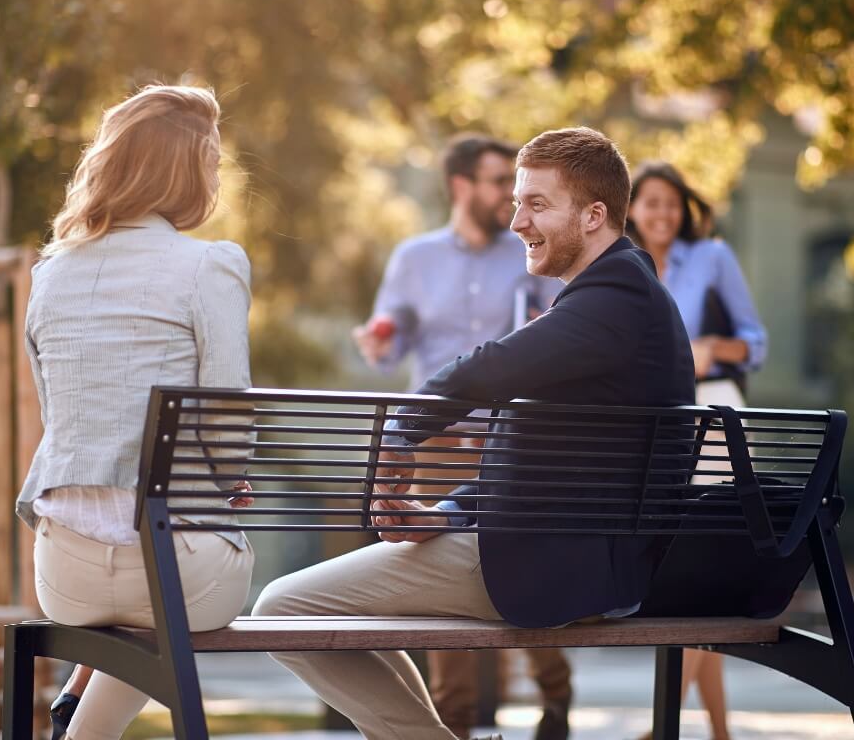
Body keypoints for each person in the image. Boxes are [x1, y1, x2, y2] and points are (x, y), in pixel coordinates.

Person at [253, 126, 696, 740]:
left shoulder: (615, 296)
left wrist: (405, 432)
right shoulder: (623, 295)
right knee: (310, 607)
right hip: (562, 547)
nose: (517, 222)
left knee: (282, 609)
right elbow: (551, 463)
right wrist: (451, 513)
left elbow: (493, 365)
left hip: (555, 561)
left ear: (595, 215)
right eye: (516, 203)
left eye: (536, 204)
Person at [17, 84, 256, 740]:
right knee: (173, 595)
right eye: (211, 162)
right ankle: (85, 731)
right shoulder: (211, 264)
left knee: (151, 596)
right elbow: (227, 425)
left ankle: (75, 700)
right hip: (178, 569)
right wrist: (229, 473)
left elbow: (59, 415)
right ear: (188, 171)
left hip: (63, 573)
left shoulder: (48, 271)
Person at [351, 134, 568, 740]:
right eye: (500, 182)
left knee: (525, 566)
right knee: (439, 577)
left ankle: (556, 697)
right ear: (461, 186)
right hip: (440, 440)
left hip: (514, 438)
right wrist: (378, 340)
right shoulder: (414, 258)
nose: (510, 196)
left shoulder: (531, 251)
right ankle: (454, 724)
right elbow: (389, 339)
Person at [625, 161, 768, 740]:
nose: (662, 213)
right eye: (650, 202)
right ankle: (720, 734)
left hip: (714, 411)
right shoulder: (623, 268)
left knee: (698, 559)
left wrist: (710, 346)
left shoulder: (713, 257)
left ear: (685, 208)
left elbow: (754, 344)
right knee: (691, 573)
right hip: (655, 423)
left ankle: (664, 724)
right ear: (631, 207)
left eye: (672, 202)